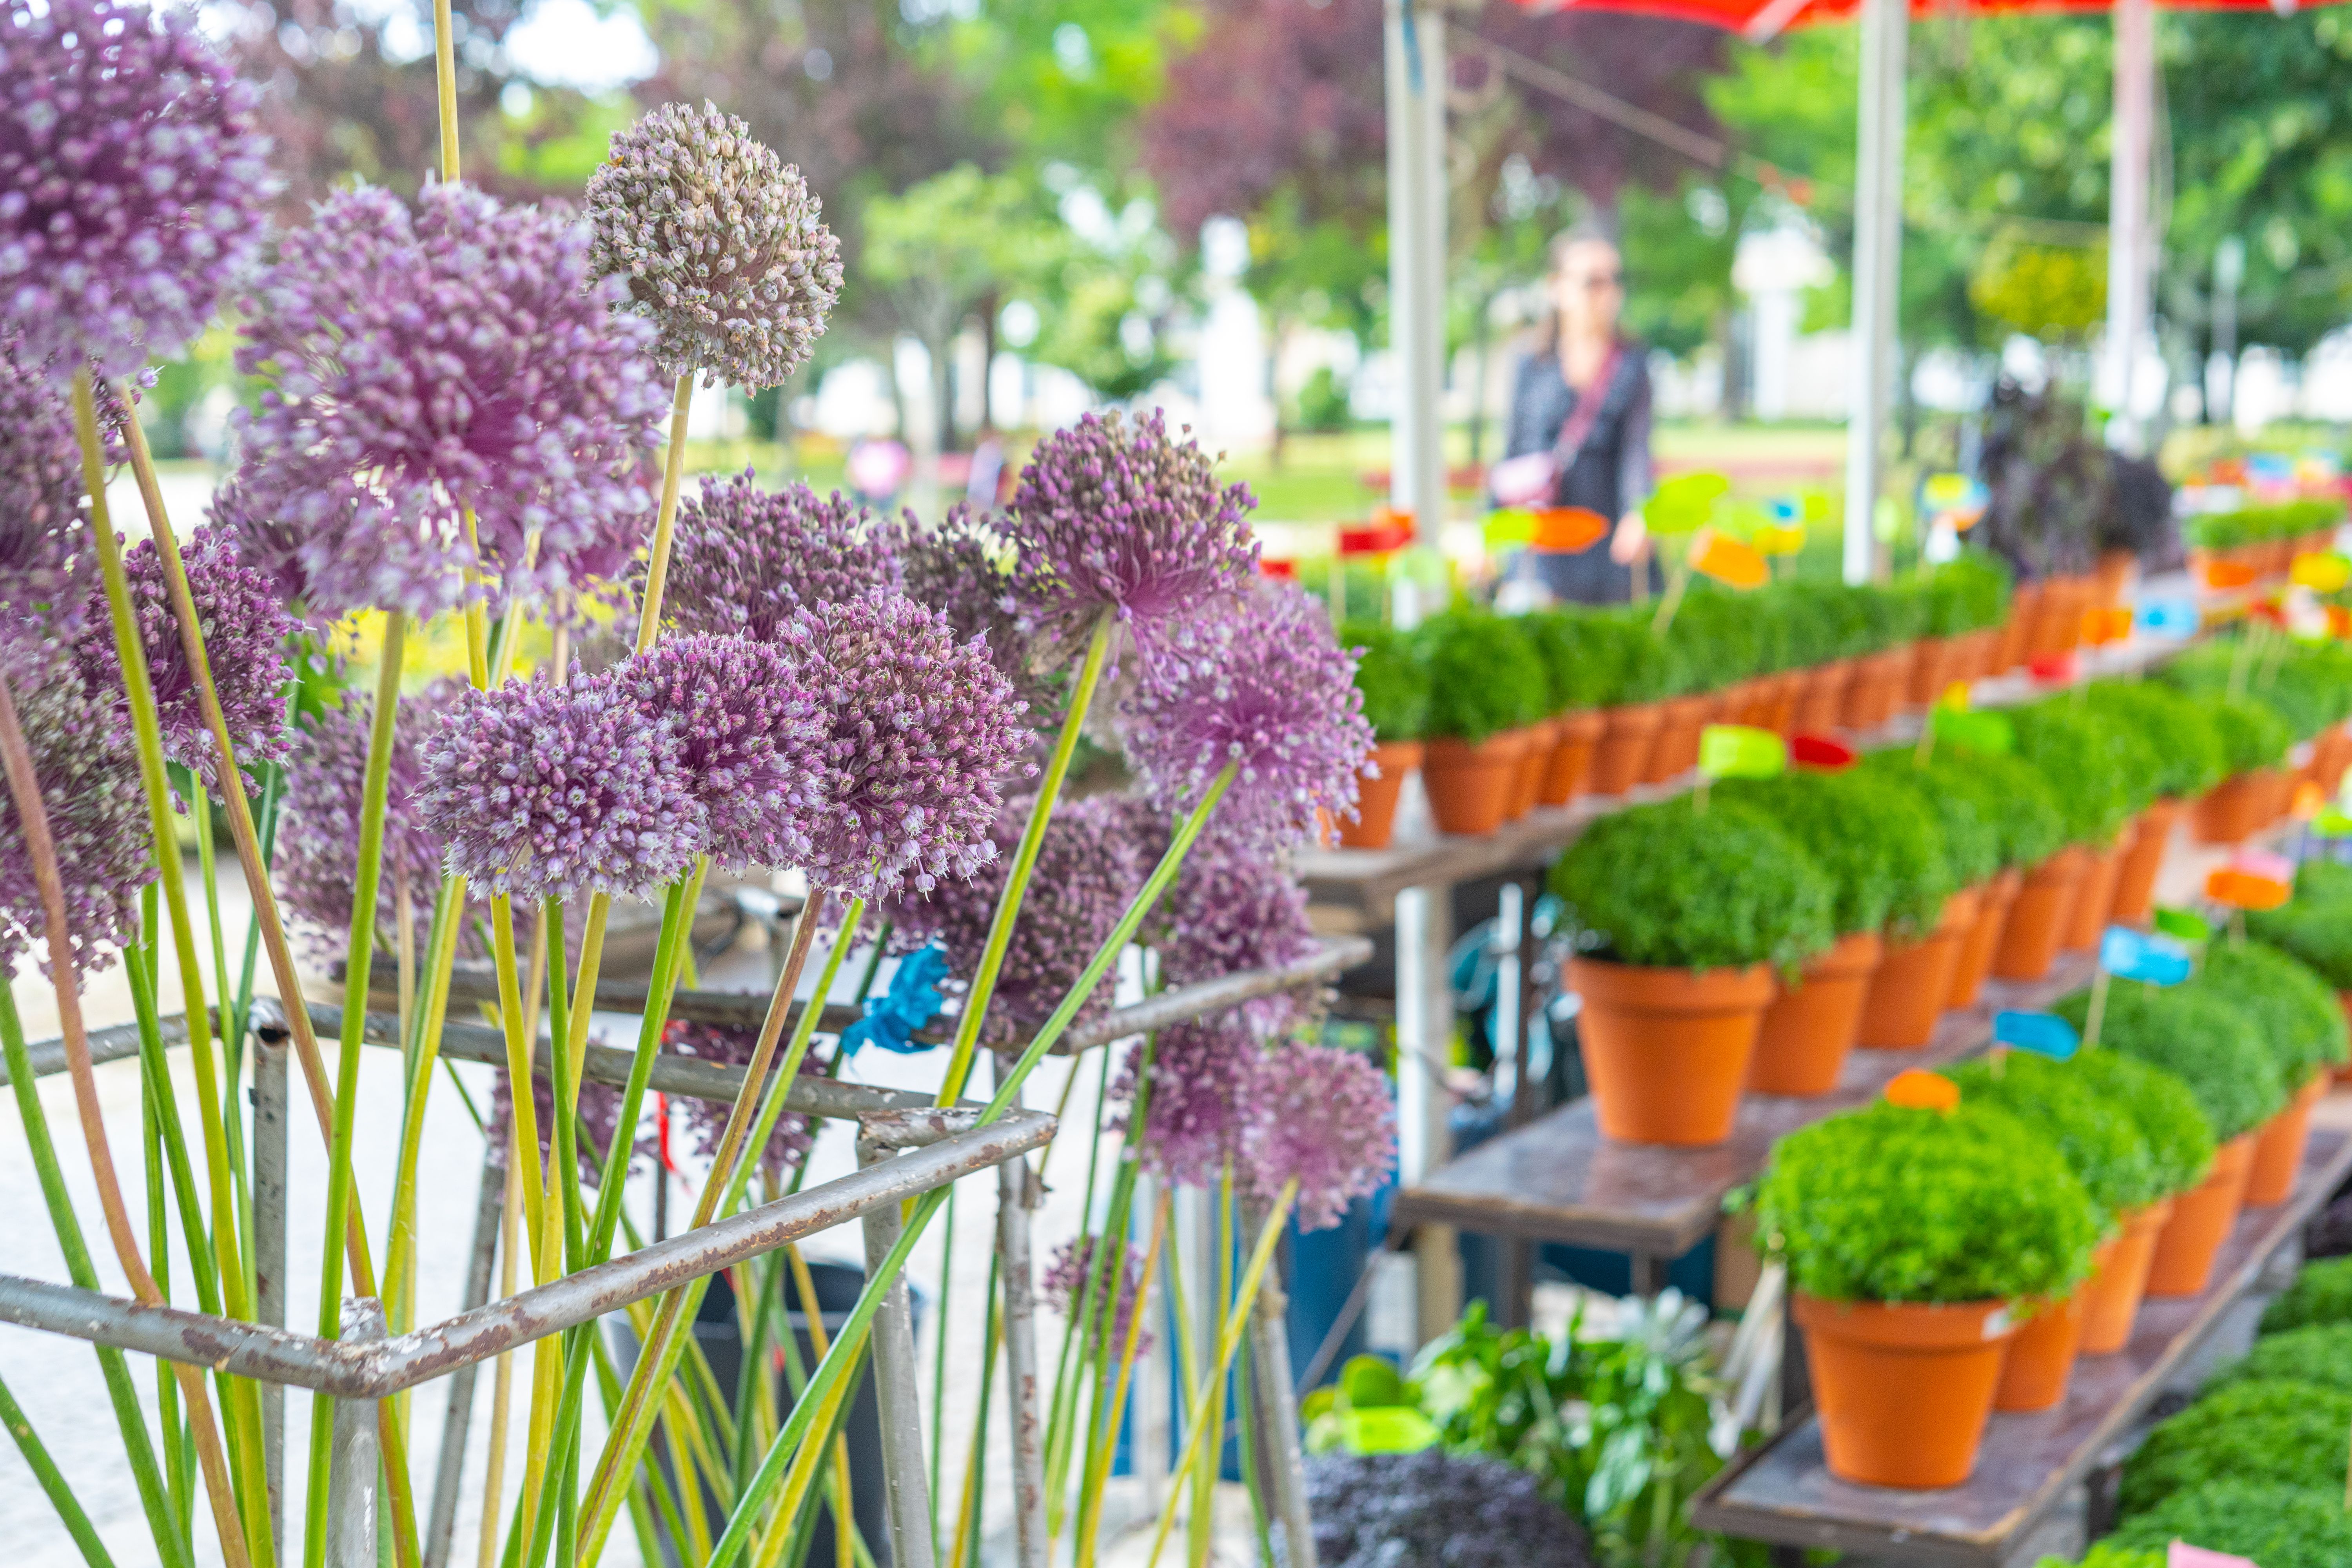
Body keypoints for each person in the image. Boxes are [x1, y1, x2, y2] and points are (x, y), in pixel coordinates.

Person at [1494, 223, 1660, 605]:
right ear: (1557, 287)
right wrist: (1490, 535)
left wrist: (1639, 513)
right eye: (1593, 281)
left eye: (1614, 281)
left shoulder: (1632, 363)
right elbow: (1511, 450)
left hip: (1607, 535)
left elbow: (1638, 448)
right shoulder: (1530, 361)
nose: (1607, 294)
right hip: (1543, 539)